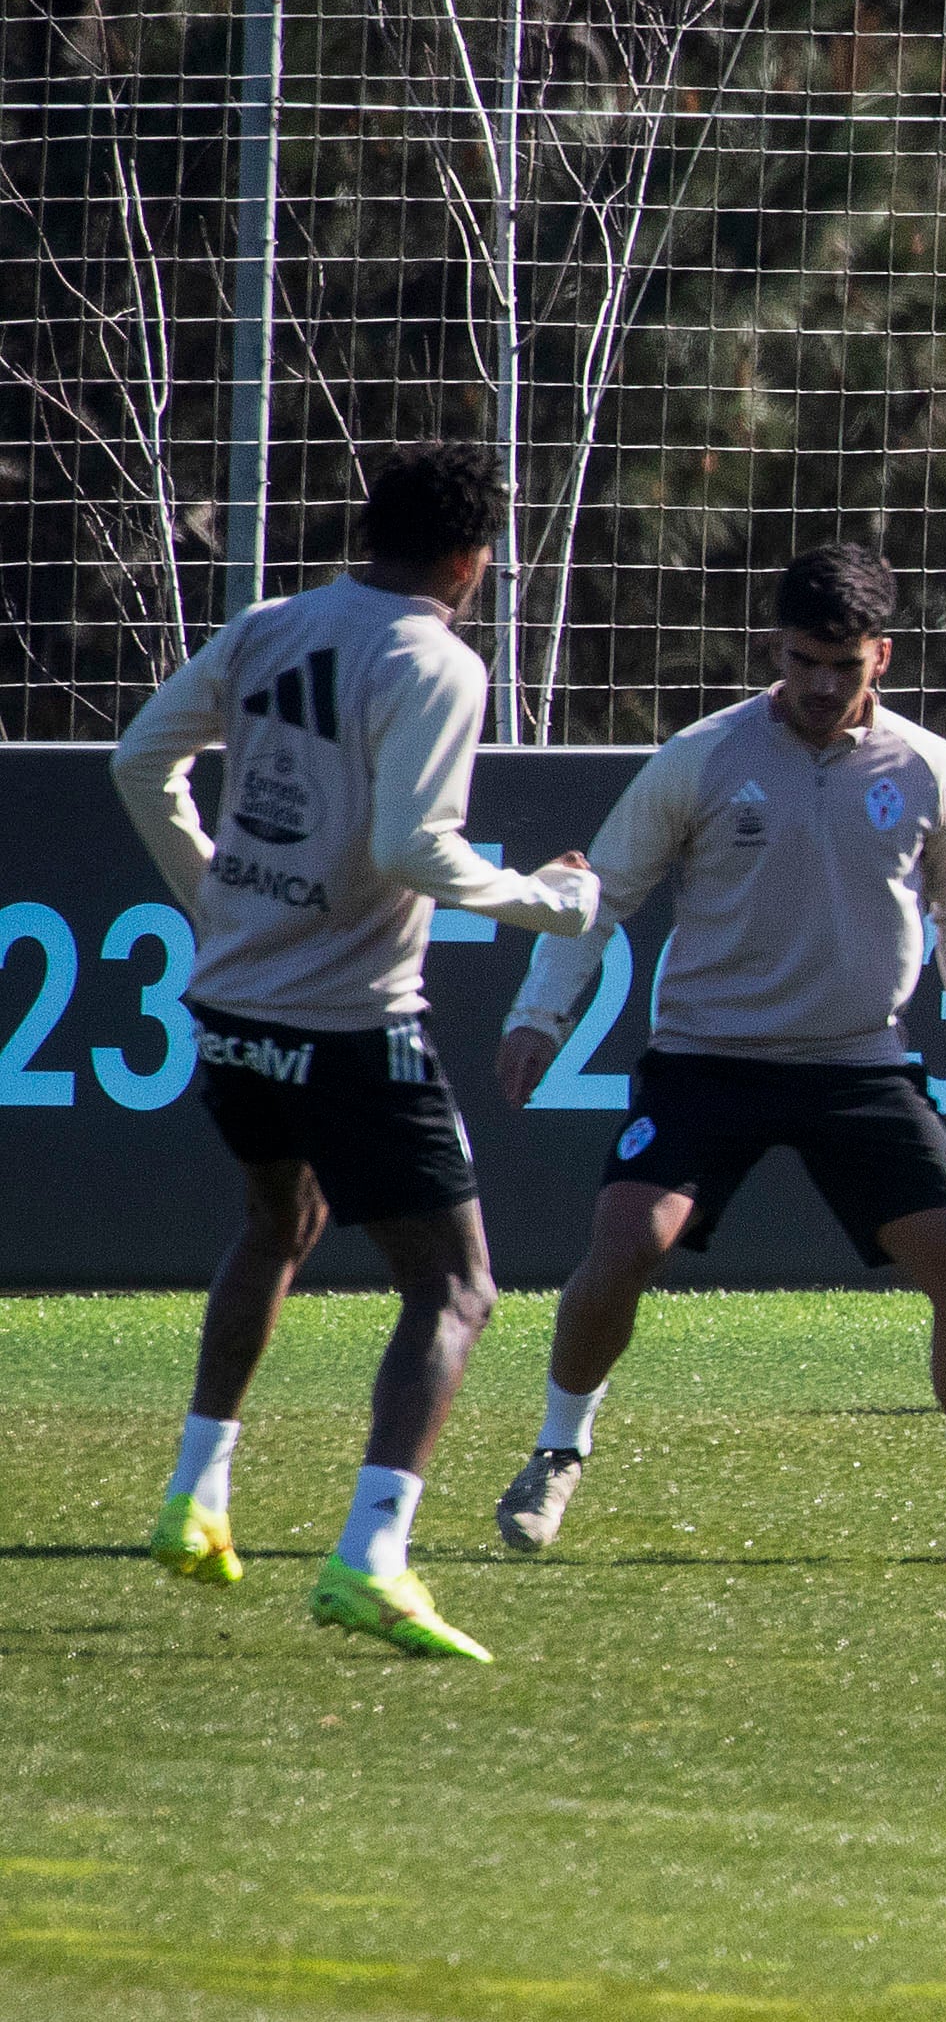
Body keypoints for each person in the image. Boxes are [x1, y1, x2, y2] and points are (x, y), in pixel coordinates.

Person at [489, 544, 946, 1566]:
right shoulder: (704, 756)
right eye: (804, 660)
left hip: (858, 1064)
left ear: (880, 658)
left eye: (842, 666)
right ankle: (556, 1451)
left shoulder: (928, 768)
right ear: (777, 648)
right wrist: (540, 1013)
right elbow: (602, 894)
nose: (820, 685)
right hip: (707, 1058)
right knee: (627, 1237)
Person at [118, 441, 601, 1661]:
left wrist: (215, 900)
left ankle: (195, 1491)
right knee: (455, 1286)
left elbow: (139, 762)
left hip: (232, 1014)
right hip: (346, 1023)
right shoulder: (435, 658)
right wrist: (545, 899)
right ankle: (371, 1556)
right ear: (468, 557)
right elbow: (413, 849)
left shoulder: (273, 623)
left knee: (278, 1225)